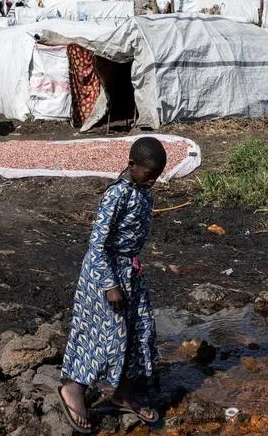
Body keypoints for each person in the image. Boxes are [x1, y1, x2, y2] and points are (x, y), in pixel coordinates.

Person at [57, 137, 166, 432]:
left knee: (140, 330)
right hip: (103, 274)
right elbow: (97, 244)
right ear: (132, 165)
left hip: (129, 272)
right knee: (100, 335)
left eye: (157, 175)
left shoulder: (143, 193)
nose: (153, 180)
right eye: (149, 173)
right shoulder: (116, 195)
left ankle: (124, 392)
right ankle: (73, 388)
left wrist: (128, 275)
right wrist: (109, 284)